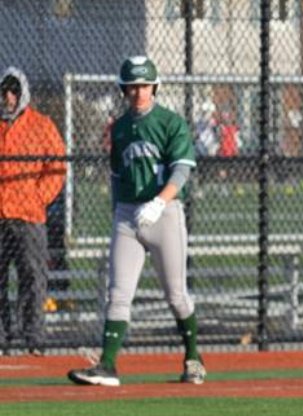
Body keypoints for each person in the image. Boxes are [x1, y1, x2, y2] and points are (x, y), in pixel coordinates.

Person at [67, 56, 205, 386]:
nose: (138, 92)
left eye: (144, 85)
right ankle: (108, 365)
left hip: (164, 213)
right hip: (129, 215)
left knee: (176, 295)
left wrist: (160, 201)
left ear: (154, 87)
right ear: (123, 90)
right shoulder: (120, 128)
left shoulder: (170, 122)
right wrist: (118, 210)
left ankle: (193, 357)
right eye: (132, 86)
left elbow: (182, 170)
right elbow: (117, 174)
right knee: (118, 293)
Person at [0, 67, 67, 356]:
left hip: (29, 216)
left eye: (14, 91)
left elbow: (57, 166)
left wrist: (39, 197)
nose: (9, 97)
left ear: (23, 93)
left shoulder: (41, 125)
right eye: (4, 91)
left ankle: (33, 337)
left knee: (33, 277)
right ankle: (2, 337)